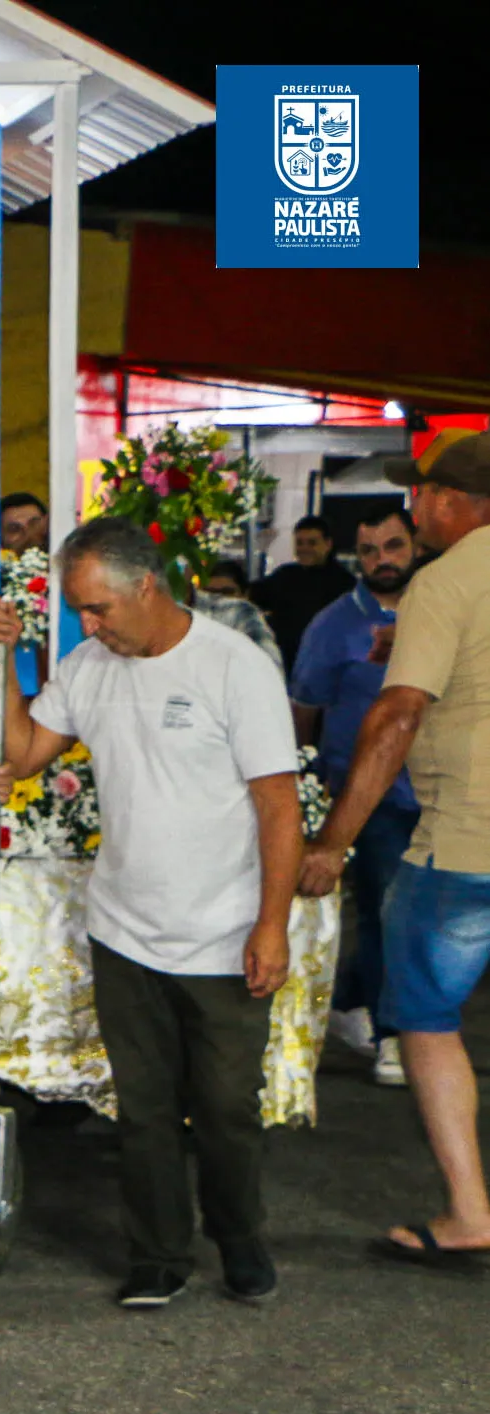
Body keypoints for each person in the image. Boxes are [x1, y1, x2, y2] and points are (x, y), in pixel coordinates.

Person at [0, 517, 302, 1309]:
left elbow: (278, 806)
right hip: (124, 928)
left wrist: (270, 924)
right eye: (78, 611)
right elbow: (21, 757)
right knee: (145, 1109)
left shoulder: (234, 668)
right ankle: (157, 1255)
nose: (87, 626)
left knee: (226, 1109)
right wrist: (6, 655)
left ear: (146, 587)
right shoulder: (90, 667)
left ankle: (238, 1237)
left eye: (98, 609)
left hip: (224, 932)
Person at [299, 430, 490, 1266]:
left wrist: (333, 840)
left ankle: (468, 1212)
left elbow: (395, 716)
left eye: (422, 496)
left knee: (421, 1017)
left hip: (463, 842)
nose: (414, 509)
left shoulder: (444, 581)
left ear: (451, 503)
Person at [288, 504, 424, 1086]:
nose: (382, 561)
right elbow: (305, 709)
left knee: (420, 915)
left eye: (393, 547)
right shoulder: (333, 625)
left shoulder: (443, 611)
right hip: (368, 795)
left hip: (442, 791)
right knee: (388, 911)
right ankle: (394, 1035)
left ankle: (350, 1002)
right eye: (369, 551)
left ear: (414, 545)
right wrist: (303, 783)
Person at [249, 513, 354, 672]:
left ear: (328, 544)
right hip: (285, 665)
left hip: (327, 668)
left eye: (312, 543)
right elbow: (252, 596)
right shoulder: (284, 576)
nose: (304, 549)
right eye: (299, 543)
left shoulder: (345, 584)